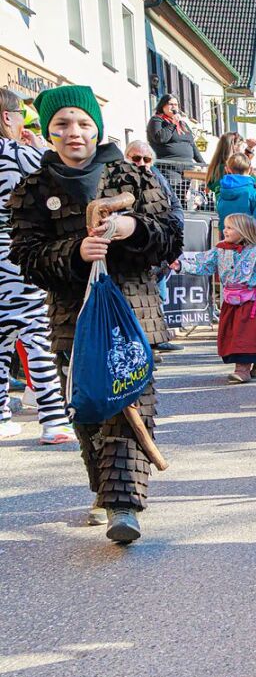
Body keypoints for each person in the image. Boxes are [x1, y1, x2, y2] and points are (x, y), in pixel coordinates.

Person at [9, 85, 180, 542]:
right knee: (88, 406)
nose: (74, 133)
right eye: (62, 124)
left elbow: (170, 236)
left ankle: (124, 506)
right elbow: (26, 255)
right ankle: (105, 492)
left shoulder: (134, 177)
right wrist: (74, 251)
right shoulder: (33, 189)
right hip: (74, 316)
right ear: (47, 130)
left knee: (128, 402)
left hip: (133, 308)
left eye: (83, 123)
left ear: (96, 128)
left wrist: (133, 228)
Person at [0, 87, 76, 445]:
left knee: (2, 338)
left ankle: (1, 414)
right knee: (35, 333)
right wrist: (35, 149)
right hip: (12, 253)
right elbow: (57, 174)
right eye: (19, 117)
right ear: (7, 117)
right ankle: (53, 418)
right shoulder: (15, 153)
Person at [177, 213, 256, 383]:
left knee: (246, 336)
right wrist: (181, 266)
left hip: (250, 302)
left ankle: (242, 370)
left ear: (244, 231)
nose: (225, 230)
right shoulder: (219, 250)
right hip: (230, 302)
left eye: (230, 227)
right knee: (235, 334)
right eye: (225, 226)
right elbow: (203, 266)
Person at [125, 139, 185, 354]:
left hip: (159, 246)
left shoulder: (158, 177)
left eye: (146, 159)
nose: (142, 162)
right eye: (136, 158)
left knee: (158, 294)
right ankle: (140, 347)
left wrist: (172, 230)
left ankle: (155, 340)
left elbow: (175, 205)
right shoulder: (119, 179)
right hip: (133, 249)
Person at [217, 153, 256, 242]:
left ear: (228, 169)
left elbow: (221, 221)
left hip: (228, 242)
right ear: (250, 169)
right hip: (249, 245)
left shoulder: (221, 194)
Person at [146, 94, 204, 165]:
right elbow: (161, 138)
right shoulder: (156, 120)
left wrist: (202, 164)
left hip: (188, 165)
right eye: (170, 104)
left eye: (176, 105)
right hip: (168, 166)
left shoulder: (183, 124)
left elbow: (192, 145)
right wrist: (173, 124)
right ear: (163, 105)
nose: (173, 107)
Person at [205, 132, 256, 199]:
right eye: (242, 146)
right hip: (240, 207)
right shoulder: (232, 168)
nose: (243, 149)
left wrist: (250, 148)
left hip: (223, 207)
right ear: (234, 147)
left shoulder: (216, 168)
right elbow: (254, 186)